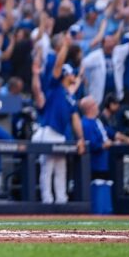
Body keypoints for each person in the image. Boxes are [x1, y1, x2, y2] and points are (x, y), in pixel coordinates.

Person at [32, 33, 85, 205]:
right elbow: (57, 66)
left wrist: (81, 138)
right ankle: (47, 201)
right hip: (49, 130)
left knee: (61, 169)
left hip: (61, 134)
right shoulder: (54, 87)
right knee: (48, 168)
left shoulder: (69, 95)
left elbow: (75, 118)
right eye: (70, 74)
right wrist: (65, 47)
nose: (72, 76)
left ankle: (61, 200)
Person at [79, 96, 129, 214]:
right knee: (98, 188)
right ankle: (97, 212)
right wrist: (105, 144)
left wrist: (127, 139)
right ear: (90, 107)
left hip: (103, 163)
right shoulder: (85, 124)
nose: (97, 106)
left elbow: (110, 132)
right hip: (94, 164)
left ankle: (105, 211)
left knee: (105, 187)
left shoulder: (97, 121)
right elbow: (92, 145)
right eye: (95, 104)